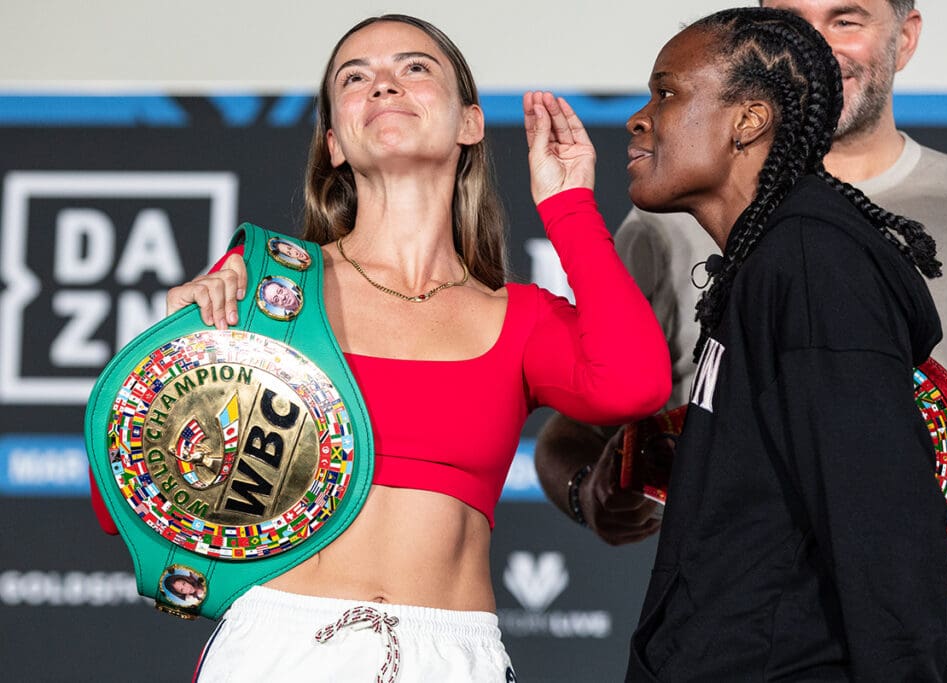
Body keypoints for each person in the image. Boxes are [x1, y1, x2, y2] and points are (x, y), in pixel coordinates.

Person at [91, 14, 671, 682]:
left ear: (470, 124)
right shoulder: (266, 290)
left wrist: (568, 205)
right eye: (356, 78)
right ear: (335, 141)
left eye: (414, 68)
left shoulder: (522, 319)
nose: (384, 86)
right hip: (279, 649)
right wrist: (162, 365)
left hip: (454, 656)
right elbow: (119, 505)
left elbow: (636, 384)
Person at [535, 1, 947, 679]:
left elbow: (879, 535)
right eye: (793, 16)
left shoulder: (814, 262)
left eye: (667, 93)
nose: (639, 117)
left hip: (879, 637)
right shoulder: (766, 256)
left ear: (749, 118)